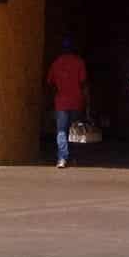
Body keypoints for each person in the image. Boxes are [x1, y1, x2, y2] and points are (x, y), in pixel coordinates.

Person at [44, 37, 88, 169]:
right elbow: (83, 82)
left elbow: (50, 83)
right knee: (74, 130)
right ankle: (74, 157)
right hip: (76, 101)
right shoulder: (79, 62)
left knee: (61, 131)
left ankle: (62, 158)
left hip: (60, 102)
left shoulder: (56, 63)